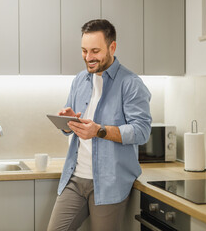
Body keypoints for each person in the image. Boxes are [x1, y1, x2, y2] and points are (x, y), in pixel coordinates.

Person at [47, 19, 152, 231]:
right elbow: (72, 130)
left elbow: (141, 131)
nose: (88, 57)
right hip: (75, 179)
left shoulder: (130, 84)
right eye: (84, 50)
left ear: (112, 47)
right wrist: (68, 122)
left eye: (95, 50)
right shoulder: (80, 80)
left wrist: (100, 131)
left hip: (109, 183)